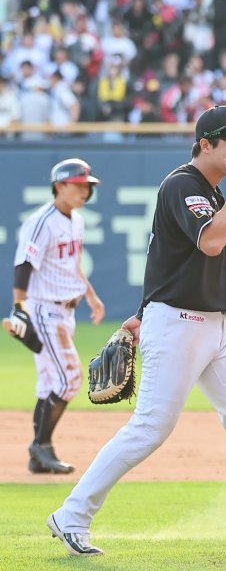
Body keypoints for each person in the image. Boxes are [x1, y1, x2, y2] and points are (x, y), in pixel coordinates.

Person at [48, 106, 226, 556]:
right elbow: (212, 241)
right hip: (179, 324)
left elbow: (164, 255)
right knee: (151, 427)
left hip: (214, 328)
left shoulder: (214, 194)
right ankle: (72, 514)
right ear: (205, 144)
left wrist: (141, 309)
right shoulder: (184, 185)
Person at [4, 159, 105, 474]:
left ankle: (38, 457)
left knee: (50, 381)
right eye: (78, 185)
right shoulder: (41, 221)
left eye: (87, 186)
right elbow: (24, 266)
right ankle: (41, 446)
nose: (85, 191)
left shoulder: (76, 220)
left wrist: (91, 295)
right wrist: (19, 307)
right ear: (59, 185)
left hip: (66, 310)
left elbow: (72, 266)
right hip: (44, 309)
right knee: (70, 378)